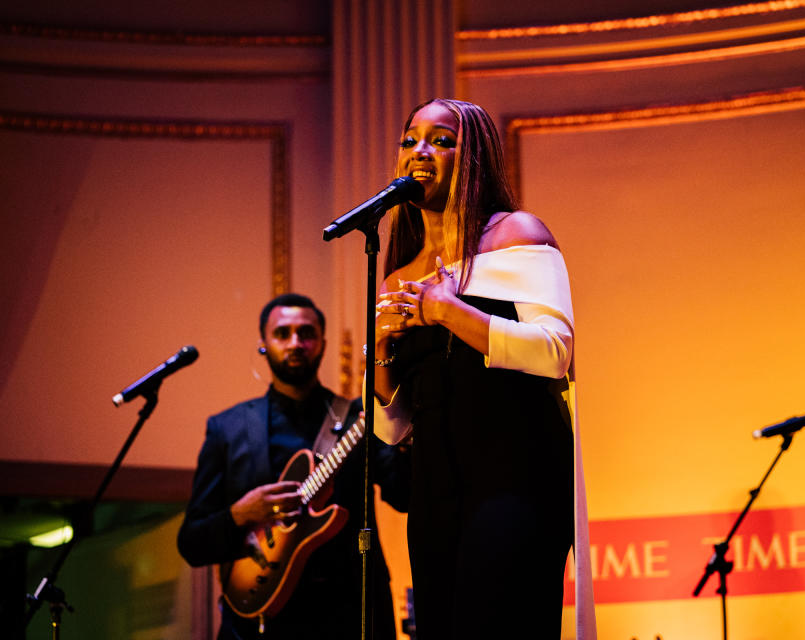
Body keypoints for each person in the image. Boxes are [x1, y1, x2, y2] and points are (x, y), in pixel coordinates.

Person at [368, 98, 578, 640]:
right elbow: (392, 428)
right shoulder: (399, 274)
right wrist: (383, 353)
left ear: (476, 157)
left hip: (516, 478)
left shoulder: (517, 235)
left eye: (441, 140)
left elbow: (555, 351)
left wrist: (451, 312)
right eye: (410, 139)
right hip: (435, 491)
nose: (420, 151)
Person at [177, 293, 411, 639]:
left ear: (323, 343)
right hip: (259, 623)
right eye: (282, 333)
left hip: (347, 615)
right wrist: (241, 514)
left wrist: (404, 428)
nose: (296, 343)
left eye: (306, 333)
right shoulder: (227, 429)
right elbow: (192, 543)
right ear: (264, 344)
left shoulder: (357, 418)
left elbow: (405, 494)